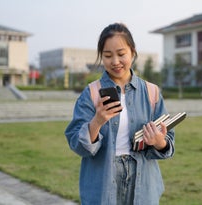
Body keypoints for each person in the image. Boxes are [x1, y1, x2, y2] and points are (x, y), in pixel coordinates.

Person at [65, 23, 175, 205]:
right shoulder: (91, 93)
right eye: (107, 56)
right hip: (103, 182)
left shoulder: (151, 92)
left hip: (143, 182)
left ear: (132, 52)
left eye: (121, 54)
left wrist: (158, 141)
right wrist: (97, 122)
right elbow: (78, 145)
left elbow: (167, 143)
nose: (115, 61)